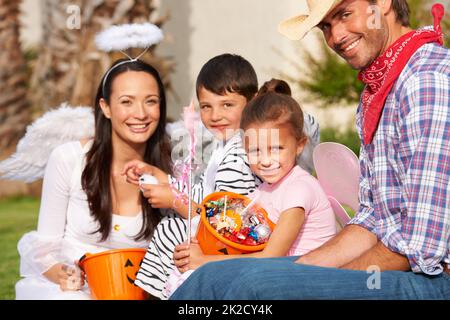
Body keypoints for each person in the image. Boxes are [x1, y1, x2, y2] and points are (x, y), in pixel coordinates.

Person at [170, 0, 450, 300]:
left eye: (344, 15)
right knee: (217, 276)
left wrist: (302, 282)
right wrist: (295, 271)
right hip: (394, 263)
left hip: (431, 278)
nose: (336, 37)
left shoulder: (426, 81)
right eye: (326, 26)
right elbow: (372, 220)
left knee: (253, 288)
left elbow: (420, 248)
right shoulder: (379, 88)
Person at [15, 58, 172, 300]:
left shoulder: (172, 168)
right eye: (126, 102)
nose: (140, 114)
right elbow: (43, 250)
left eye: (150, 101)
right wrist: (64, 276)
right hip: (74, 289)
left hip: (139, 291)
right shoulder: (69, 159)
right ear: (105, 107)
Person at [165, 79, 336, 297]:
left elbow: (270, 258)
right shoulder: (264, 190)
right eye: (255, 151)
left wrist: (204, 262)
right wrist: (197, 247)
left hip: (305, 283)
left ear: (299, 145)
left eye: (276, 148)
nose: (265, 161)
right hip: (278, 277)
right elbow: (237, 234)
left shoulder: (299, 189)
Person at [123, 54, 262, 299]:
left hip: (233, 243)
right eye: (206, 106)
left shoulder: (240, 156)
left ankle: (160, 294)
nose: (215, 115)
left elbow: (228, 220)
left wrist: (175, 201)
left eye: (227, 105)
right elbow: (207, 195)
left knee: (171, 228)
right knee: (171, 227)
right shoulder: (225, 146)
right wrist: (163, 179)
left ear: (252, 102)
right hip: (219, 234)